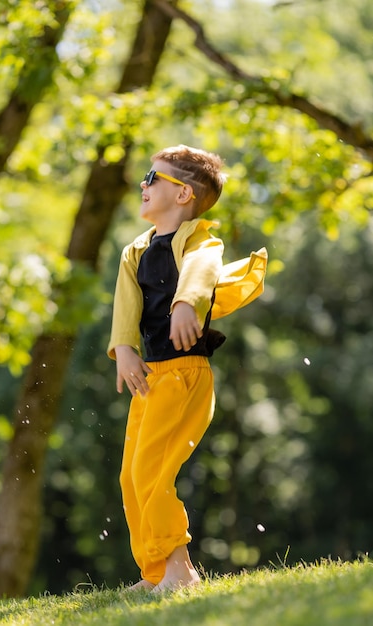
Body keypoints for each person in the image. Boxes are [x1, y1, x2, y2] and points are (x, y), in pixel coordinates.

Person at [107, 144, 267, 592]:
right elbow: (126, 305)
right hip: (152, 378)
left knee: (152, 471)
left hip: (184, 374)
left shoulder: (200, 240)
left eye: (152, 177)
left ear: (182, 195)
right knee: (131, 474)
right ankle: (155, 571)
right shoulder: (135, 251)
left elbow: (202, 269)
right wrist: (123, 348)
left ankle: (180, 569)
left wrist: (185, 304)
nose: (143, 184)